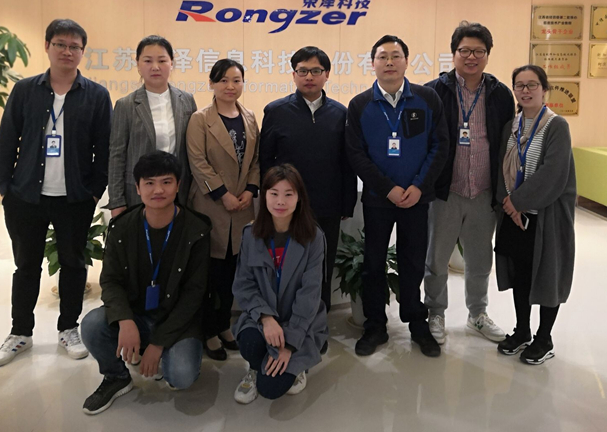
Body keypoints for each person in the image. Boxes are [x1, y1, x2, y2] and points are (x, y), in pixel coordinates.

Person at [0, 19, 112, 367]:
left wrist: (93, 193)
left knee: (73, 265)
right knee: (26, 266)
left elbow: (104, 150)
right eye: (60, 44)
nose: (67, 52)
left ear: (82, 52)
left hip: (74, 199)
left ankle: (68, 328)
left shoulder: (96, 95)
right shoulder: (25, 90)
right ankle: (20, 333)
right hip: (26, 196)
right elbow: (6, 142)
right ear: (47, 46)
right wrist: (6, 189)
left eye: (74, 47)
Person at [79, 151, 210, 414]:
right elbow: (111, 281)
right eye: (149, 183)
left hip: (178, 321)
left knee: (181, 376)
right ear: (138, 188)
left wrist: (158, 343)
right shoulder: (122, 228)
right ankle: (117, 377)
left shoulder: (196, 230)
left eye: (166, 182)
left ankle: (162, 355)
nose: (158, 190)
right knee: (92, 324)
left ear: (178, 185)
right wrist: (125, 320)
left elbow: (194, 295)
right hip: (137, 314)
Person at [345, 35, 449, 358]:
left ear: (407, 61)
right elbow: (356, 154)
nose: (389, 62)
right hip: (378, 199)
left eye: (396, 56)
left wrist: (419, 186)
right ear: (373, 63)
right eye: (382, 56)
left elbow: (440, 145)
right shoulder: (360, 104)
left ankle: (417, 323)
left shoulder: (427, 99)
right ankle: (375, 325)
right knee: (374, 263)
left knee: (413, 261)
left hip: (417, 198)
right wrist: (387, 188)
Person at [423, 21, 515, 345]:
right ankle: (436, 313)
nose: (471, 57)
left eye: (479, 51)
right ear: (454, 54)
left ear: (488, 55)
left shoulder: (500, 94)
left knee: (480, 260)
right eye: (465, 50)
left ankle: (478, 314)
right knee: (436, 259)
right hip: (445, 191)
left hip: (484, 192)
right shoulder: (434, 91)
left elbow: (506, 144)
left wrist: (504, 191)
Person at [259, 46, 356, 316]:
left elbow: (347, 163)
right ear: (294, 75)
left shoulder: (340, 114)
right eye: (302, 71)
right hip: (286, 207)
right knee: (286, 265)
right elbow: (265, 161)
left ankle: (317, 321)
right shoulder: (276, 111)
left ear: (327, 74)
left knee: (321, 266)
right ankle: (285, 319)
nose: (309, 77)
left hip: (327, 204)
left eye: (315, 71)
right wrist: (269, 201)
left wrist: (347, 203)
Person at [494, 65, 575, 365]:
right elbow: (500, 168)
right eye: (520, 85)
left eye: (532, 85)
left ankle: (544, 338)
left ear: (544, 89)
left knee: (547, 276)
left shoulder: (556, 126)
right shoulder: (511, 126)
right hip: (513, 214)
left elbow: (553, 173)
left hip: (545, 217)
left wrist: (517, 202)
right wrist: (508, 203)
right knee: (521, 275)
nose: (525, 90)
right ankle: (522, 330)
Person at [232, 164, 328, 403]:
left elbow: (310, 294)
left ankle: (296, 364)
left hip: (300, 322)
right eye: (274, 193)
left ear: (299, 198)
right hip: (263, 318)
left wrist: (290, 344)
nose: (280, 201)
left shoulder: (314, 237)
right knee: (250, 343)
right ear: (264, 196)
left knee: (271, 389)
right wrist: (266, 318)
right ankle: (255, 368)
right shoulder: (250, 234)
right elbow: (244, 285)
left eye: (288, 194)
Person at [186, 59, 260, 360]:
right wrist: (223, 194)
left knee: (233, 273)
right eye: (224, 80)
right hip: (211, 206)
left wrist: (250, 190)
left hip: (241, 208)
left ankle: (224, 325)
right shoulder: (200, 119)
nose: (230, 86)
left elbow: (255, 160)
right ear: (212, 84)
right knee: (209, 274)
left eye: (236, 80)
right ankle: (208, 331)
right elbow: (197, 161)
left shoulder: (249, 116)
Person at [106, 35, 197, 217]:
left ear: (171, 63)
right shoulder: (126, 105)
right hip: (138, 194)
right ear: (138, 64)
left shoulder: (186, 100)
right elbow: (117, 156)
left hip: (179, 192)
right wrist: (117, 201)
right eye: (148, 61)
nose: (155, 67)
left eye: (162, 60)